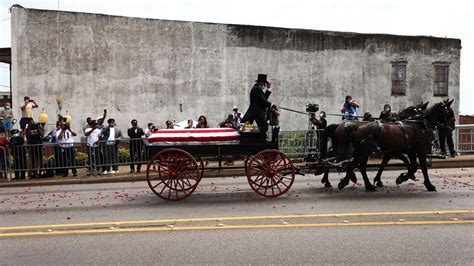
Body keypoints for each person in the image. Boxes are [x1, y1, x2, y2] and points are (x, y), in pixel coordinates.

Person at [242, 74, 274, 139]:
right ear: (261, 83)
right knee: (263, 127)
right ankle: (261, 140)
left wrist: (268, 89)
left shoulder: (257, 89)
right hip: (257, 112)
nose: (265, 85)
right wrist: (270, 104)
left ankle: (261, 139)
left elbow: (263, 98)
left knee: (264, 127)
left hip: (257, 112)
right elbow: (262, 100)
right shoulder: (256, 89)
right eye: (264, 84)